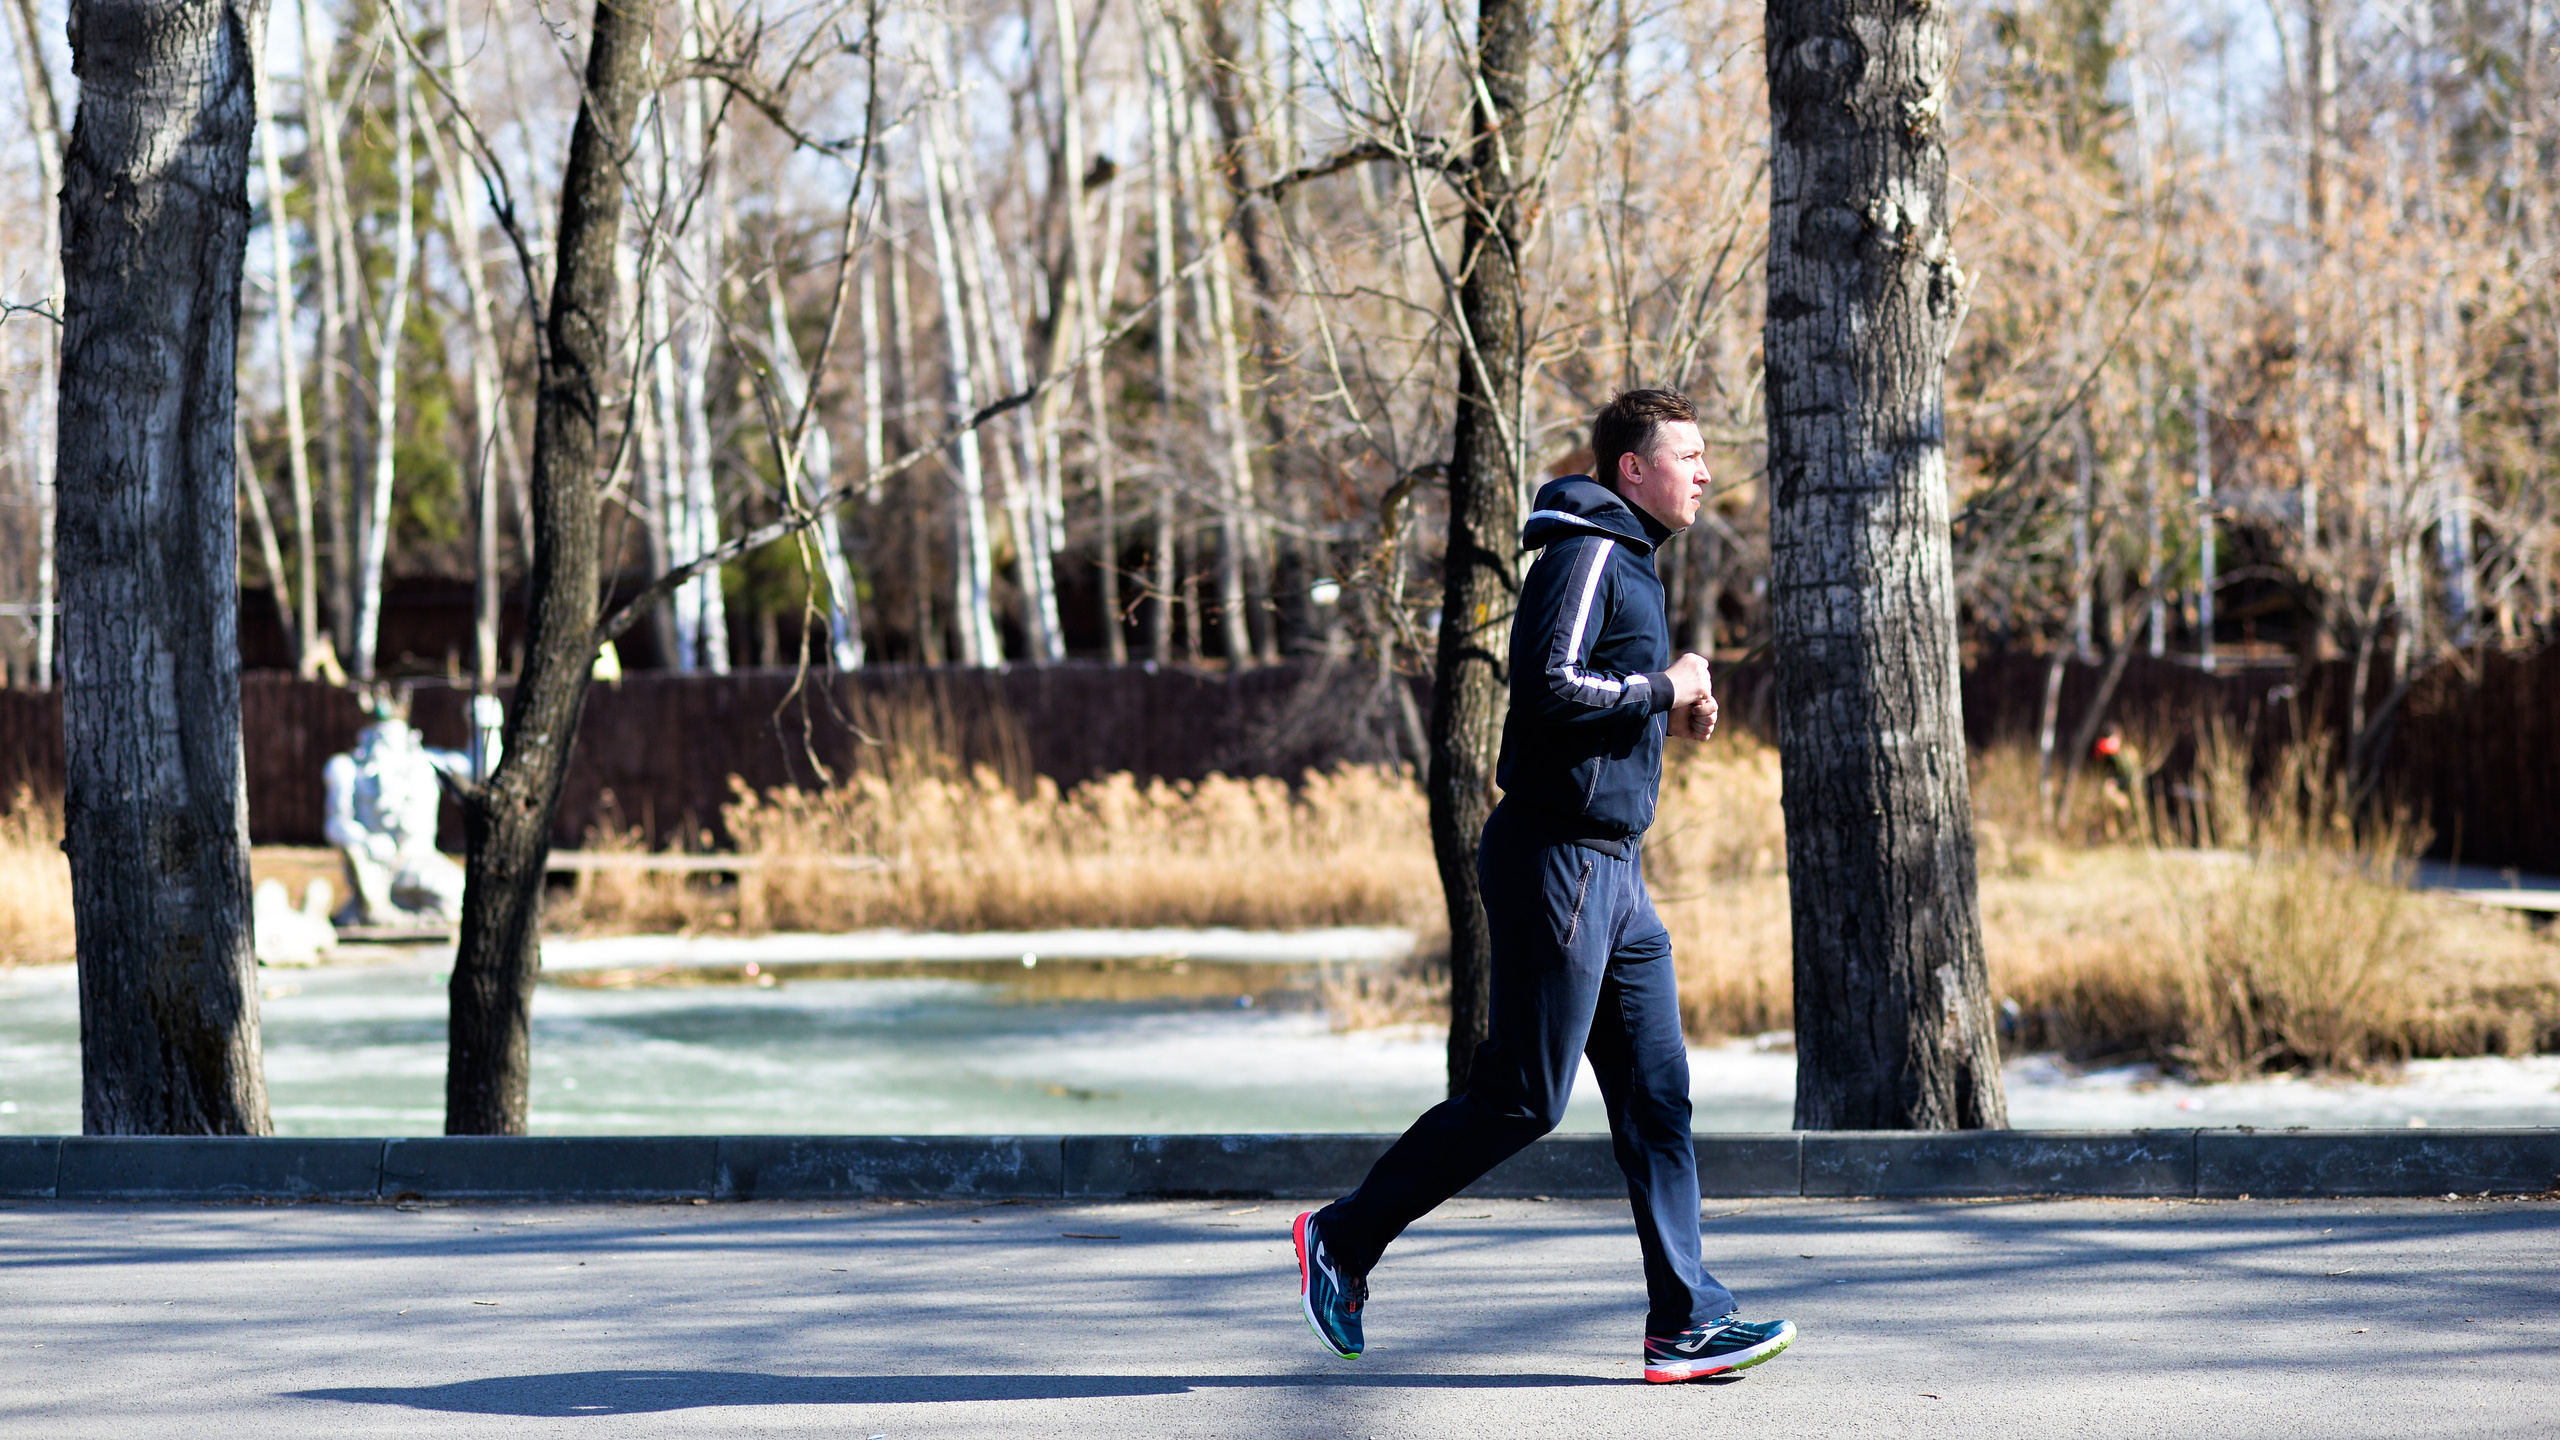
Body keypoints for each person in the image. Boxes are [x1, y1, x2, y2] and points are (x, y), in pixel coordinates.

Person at [1294, 389, 1797, 1383]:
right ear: (1630, 470)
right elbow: (1549, 687)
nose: (1703, 472)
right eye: (1685, 456)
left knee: (1657, 1099)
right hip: (1558, 860)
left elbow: (1597, 703)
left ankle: (1685, 1322)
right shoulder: (1588, 551)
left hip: (1618, 872)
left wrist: (1668, 708)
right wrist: (1661, 690)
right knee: (1523, 1097)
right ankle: (1343, 1241)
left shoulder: (1631, 559)